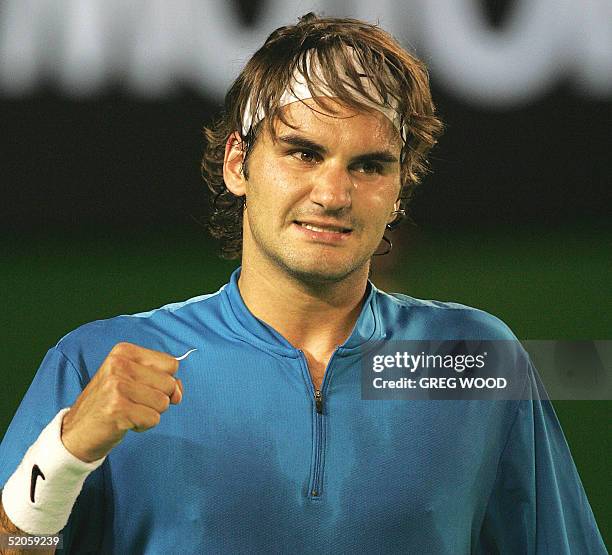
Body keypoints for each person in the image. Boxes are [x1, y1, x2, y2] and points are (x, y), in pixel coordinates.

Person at [0, 12, 607, 554]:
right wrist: (66, 452)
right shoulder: (98, 362)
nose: (334, 194)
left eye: (369, 166)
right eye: (303, 153)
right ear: (238, 164)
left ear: (400, 190)